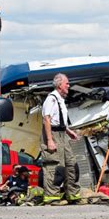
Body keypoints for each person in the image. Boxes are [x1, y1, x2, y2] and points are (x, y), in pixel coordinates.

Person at [41, 73, 81, 204]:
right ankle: (52, 197)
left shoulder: (60, 99)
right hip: (53, 134)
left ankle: (72, 195)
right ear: (59, 85)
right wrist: (49, 140)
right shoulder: (51, 99)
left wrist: (68, 132)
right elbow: (46, 119)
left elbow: (59, 120)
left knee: (71, 164)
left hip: (62, 134)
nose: (69, 86)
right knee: (56, 166)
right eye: (67, 83)